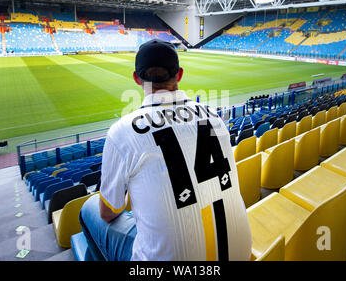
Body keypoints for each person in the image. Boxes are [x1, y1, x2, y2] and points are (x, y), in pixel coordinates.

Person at [79, 39, 252, 261]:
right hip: (241, 255)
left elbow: (108, 213)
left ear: (136, 78)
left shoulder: (121, 132)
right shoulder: (214, 117)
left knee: (90, 208)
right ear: (179, 75)